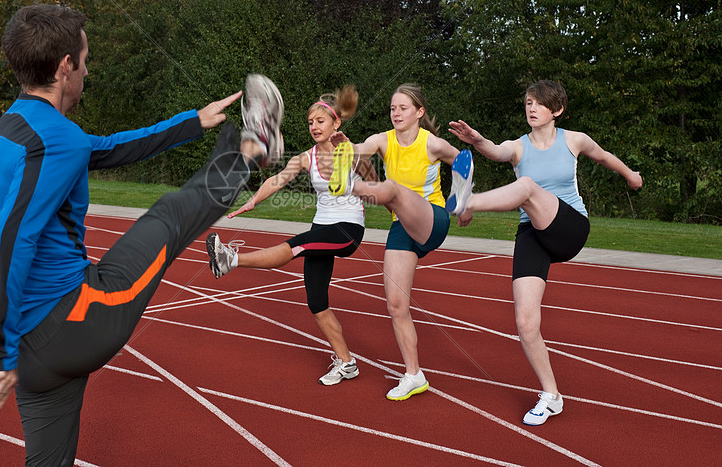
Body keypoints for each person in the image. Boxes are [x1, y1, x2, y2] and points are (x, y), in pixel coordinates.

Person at [0, 3, 284, 466]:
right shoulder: (54, 141)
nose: (87, 70)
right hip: (74, 323)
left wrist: (190, 123)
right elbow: (9, 240)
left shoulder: (6, 132)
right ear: (64, 68)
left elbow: (107, 149)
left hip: (34, 358)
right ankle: (252, 151)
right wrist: (0, 352)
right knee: (169, 217)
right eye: (85, 59)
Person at [446, 79, 642, 426]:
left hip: (570, 227)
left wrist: (631, 175)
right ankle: (551, 395)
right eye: (527, 103)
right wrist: (477, 141)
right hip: (533, 232)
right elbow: (495, 150)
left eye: (538, 103)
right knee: (525, 322)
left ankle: (467, 201)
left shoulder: (573, 140)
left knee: (526, 187)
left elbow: (604, 157)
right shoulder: (518, 147)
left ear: (557, 110)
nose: (531, 108)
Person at [206, 85, 377, 386]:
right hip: (321, 228)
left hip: (347, 230)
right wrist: (253, 201)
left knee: (297, 245)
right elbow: (277, 179)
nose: (313, 127)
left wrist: (354, 153)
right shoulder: (306, 158)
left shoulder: (351, 150)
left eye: (320, 121)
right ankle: (347, 362)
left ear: (336, 123)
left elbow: (375, 184)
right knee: (316, 302)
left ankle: (231, 259)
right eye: (310, 122)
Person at [328, 83, 460, 401]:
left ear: (419, 112)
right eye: (392, 108)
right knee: (396, 306)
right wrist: (348, 149)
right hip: (402, 227)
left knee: (393, 188)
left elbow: (463, 161)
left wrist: (461, 200)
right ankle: (414, 375)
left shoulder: (433, 144)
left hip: (433, 219)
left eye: (402, 107)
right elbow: (363, 147)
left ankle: (351, 187)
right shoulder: (383, 140)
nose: (396, 113)